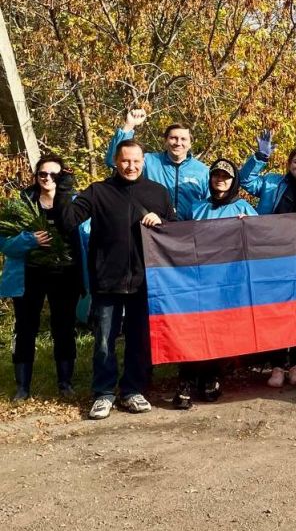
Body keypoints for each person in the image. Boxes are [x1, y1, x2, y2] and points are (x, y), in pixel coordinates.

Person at [63, 140, 175, 420]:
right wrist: (64, 187)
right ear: (115, 160)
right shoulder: (98, 191)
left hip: (144, 280)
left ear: (144, 161)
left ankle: (132, 390)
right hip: (107, 279)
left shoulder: (158, 193)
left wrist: (160, 220)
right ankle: (103, 393)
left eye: (136, 161)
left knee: (139, 339)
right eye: (125, 161)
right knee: (104, 340)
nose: (131, 166)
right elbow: (68, 220)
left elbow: (174, 229)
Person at [172, 159, 258, 409]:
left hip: (228, 283)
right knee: (193, 331)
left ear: (234, 181)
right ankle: (186, 379)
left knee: (219, 331)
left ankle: (212, 376)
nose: (220, 179)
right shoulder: (196, 207)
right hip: (198, 280)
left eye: (226, 176)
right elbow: (178, 236)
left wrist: (248, 226)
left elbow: (261, 239)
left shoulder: (243, 207)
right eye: (216, 175)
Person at [239, 131, 296, 387]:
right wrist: (260, 157)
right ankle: (276, 364)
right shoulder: (274, 183)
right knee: (275, 310)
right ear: (289, 165)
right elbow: (245, 181)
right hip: (272, 256)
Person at [2, 155, 85, 400]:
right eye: (43, 174)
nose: (47, 178)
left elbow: (86, 238)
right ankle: (22, 387)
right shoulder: (23, 203)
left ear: (63, 177)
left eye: (54, 175)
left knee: (64, 327)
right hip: (29, 275)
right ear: (36, 176)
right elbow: (4, 243)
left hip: (66, 274)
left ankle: (65, 383)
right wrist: (30, 240)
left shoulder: (74, 202)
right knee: (26, 328)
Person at [104, 108, 209, 220]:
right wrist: (129, 126)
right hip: (151, 228)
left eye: (183, 139)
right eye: (173, 138)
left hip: (188, 231)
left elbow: (211, 205)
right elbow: (113, 161)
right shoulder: (149, 161)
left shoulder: (202, 171)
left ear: (190, 143)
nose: (178, 143)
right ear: (165, 141)